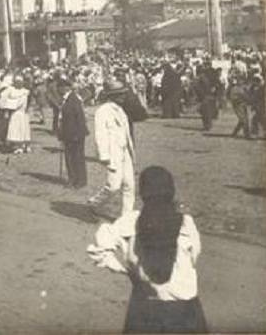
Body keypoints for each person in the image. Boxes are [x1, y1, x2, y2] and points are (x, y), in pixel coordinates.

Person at [87, 166, 207, 333]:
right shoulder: (185, 223)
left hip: (144, 308)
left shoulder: (130, 222)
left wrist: (127, 269)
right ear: (171, 191)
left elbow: (100, 248)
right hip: (184, 311)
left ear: (142, 194)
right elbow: (194, 256)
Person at [89, 79, 136, 216]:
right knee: (114, 186)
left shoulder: (121, 110)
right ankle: (95, 203)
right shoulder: (103, 111)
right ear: (112, 96)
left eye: (123, 94)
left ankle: (127, 216)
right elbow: (100, 134)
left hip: (125, 151)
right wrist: (104, 155)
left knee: (129, 186)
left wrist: (131, 152)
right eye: (120, 94)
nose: (123, 97)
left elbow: (127, 134)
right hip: (113, 152)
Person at [57, 78, 89, 188]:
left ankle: (78, 180)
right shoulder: (66, 99)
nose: (58, 90)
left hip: (75, 134)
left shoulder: (73, 99)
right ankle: (74, 179)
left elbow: (80, 117)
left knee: (76, 157)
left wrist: (77, 134)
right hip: (68, 133)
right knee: (70, 157)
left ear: (65, 88)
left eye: (59, 87)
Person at [6, 75, 32, 154]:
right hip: (15, 113)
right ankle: (18, 145)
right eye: (17, 82)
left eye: (20, 82)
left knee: (22, 129)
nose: (18, 84)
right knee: (16, 130)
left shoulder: (24, 93)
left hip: (20, 113)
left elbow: (19, 104)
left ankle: (23, 145)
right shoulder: (12, 91)